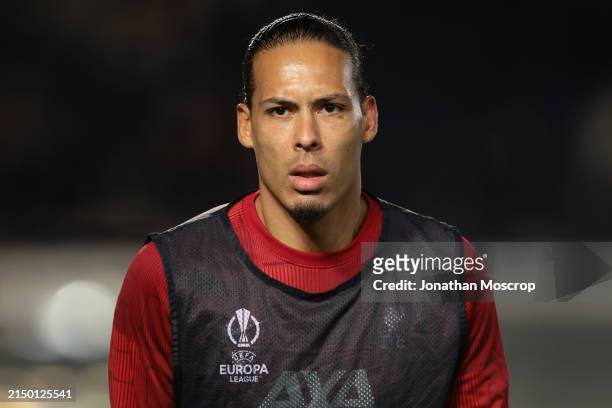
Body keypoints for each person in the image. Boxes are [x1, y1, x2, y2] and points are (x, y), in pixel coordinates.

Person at [108, 12, 509, 407]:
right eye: (281, 110)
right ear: (246, 125)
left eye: (329, 108)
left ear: (368, 119)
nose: (306, 137)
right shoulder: (169, 277)